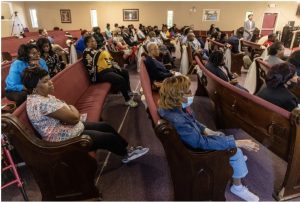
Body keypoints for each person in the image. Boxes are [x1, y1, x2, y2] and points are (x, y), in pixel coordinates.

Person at [158, 75, 259, 201]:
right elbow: (200, 143)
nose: (191, 93)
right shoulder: (178, 120)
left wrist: (208, 131)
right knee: (235, 151)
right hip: (195, 153)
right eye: (188, 91)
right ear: (178, 95)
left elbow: (193, 122)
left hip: (195, 141)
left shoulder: (173, 107)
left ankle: (235, 160)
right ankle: (237, 187)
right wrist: (236, 142)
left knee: (222, 136)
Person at [23, 68, 149, 163]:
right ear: (34, 88)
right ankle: (126, 154)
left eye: (49, 79)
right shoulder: (41, 103)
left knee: (104, 126)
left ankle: (128, 148)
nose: (51, 83)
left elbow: (65, 108)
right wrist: (72, 108)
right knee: (107, 137)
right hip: (61, 141)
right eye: (45, 82)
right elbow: (74, 118)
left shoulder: (40, 97)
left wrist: (69, 109)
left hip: (64, 129)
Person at [82, 35, 138, 107]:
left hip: (105, 70)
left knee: (124, 72)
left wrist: (114, 66)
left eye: (95, 41)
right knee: (120, 79)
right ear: (87, 44)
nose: (95, 42)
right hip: (97, 75)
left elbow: (105, 60)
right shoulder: (87, 51)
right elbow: (95, 65)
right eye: (92, 41)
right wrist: (103, 53)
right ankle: (127, 100)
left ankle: (128, 91)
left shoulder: (95, 51)